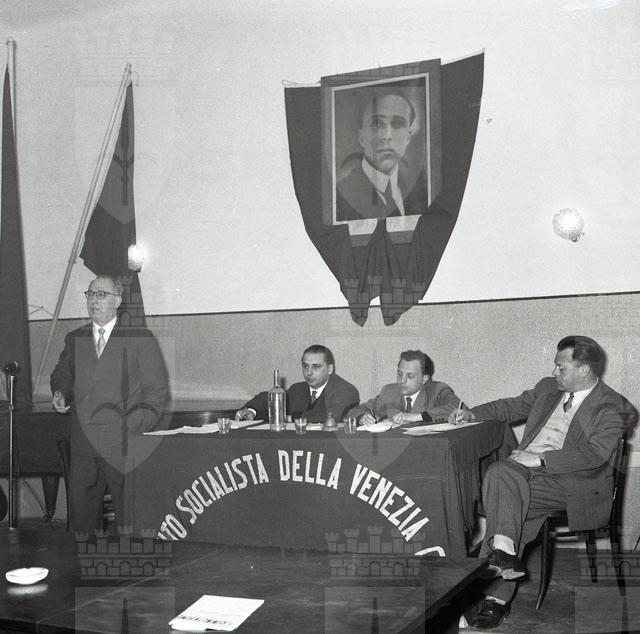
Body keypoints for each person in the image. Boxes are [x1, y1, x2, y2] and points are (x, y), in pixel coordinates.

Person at [449, 336, 637, 629]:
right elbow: (510, 407)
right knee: (505, 485)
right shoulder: (548, 388)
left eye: (561, 368)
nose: (554, 372)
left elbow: (596, 454)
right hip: (523, 475)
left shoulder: (615, 406)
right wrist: (473, 413)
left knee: (503, 487)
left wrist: (540, 459)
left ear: (584, 369)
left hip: (571, 484)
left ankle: (485, 590)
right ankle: (499, 575)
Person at [51, 275, 169, 533]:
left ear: (117, 301)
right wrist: (61, 393)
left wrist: (130, 428)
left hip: (124, 446)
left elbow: (156, 394)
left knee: (130, 525)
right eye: (90, 294)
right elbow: (62, 374)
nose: (94, 300)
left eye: (101, 295)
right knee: (82, 527)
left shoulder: (140, 338)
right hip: (84, 447)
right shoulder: (74, 338)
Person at [336, 87, 428, 222]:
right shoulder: (338, 197)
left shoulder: (421, 194)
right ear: (361, 137)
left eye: (397, 124)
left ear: (408, 137)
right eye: (377, 124)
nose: (387, 136)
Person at [236, 344, 359, 424]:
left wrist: (289, 418)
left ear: (330, 369)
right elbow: (270, 398)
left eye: (316, 367)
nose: (309, 372)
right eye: (305, 366)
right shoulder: (298, 389)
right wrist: (251, 411)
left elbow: (328, 416)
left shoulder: (346, 390)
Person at [347, 350, 462, 426]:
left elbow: (458, 407)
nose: (402, 381)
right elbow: (354, 411)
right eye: (399, 374)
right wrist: (362, 417)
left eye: (410, 376)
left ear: (424, 378)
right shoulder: (389, 392)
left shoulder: (438, 390)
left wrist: (417, 417)